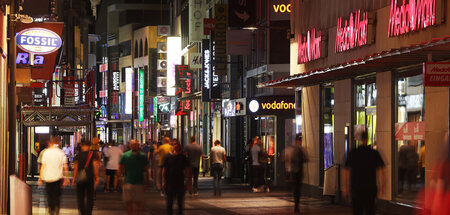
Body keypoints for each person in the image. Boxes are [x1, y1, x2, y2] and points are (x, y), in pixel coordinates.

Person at [343, 130, 385, 215]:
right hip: (370, 188)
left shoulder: (353, 152)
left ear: (360, 139)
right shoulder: (374, 153)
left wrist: (345, 188)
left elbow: (346, 171)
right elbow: (381, 171)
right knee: (370, 210)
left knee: (357, 211)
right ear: (367, 138)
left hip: (356, 187)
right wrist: (382, 187)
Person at [38, 136, 70, 215]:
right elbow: (65, 166)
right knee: (57, 196)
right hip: (58, 178)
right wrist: (66, 178)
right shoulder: (60, 152)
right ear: (58, 143)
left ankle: (51, 210)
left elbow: (43, 166)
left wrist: (40, 178)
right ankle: (56, 210)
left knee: (49, 196)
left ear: (50, 143)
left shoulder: (46, 152)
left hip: (48, 178)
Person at [119, 139, 150, 215]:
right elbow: (120, 168)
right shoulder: (125, 156)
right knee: (128, 202)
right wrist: (121, 178)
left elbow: (146, 170)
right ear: (129, 145)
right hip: (128, 182)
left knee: (138, 203)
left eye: (136, 144)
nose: (134, 146)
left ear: (138, 145)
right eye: (132, 144)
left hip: (139, 182)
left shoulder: (143, 156)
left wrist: (147, 182)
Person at [162, 139, 191, 215]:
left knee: (180, 204)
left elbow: (188, 169)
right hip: (169, 182)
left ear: (179, 145)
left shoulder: (183, 157)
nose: (174, 146)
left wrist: (188, 181)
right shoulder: (167, 157)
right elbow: (164, 169)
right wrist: (163, 181)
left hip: (180, 182)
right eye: (173, 144)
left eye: (176, 144)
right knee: (169, 203)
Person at [72, 139, 100, 215]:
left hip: (80, 179)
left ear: (81, 145)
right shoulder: (92, 155)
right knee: (90, 197)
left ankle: (82, 212)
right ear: (89, 146)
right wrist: (97, 177)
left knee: (80, 197)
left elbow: (75, 169)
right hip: (90, 178)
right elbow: (95, 167)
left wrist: (74, 179)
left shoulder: (78, 156)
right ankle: (88, 212)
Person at [284, 136, 308, 213]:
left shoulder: (292, 149)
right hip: (297, 171)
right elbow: (306, 159)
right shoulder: (300, 150)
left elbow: (284, 158)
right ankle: (296, 205)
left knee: (295, 188)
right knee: (297, 188)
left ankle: (296, 204)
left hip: (293, 171)